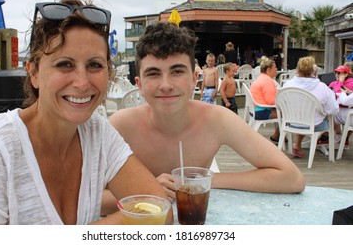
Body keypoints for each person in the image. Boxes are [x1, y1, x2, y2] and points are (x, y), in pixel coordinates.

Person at [0, 0, 171, 225]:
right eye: (65, 64)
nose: (82, 83)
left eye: (94, 65)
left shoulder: (97, 133)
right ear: (33, 73)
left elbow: (161, 209)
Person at [104, 22, 304, 211]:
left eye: (177, 71)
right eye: (154, 74)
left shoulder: (217, 119)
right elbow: (85, 197)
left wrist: (204, 180)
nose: (166, 85)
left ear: (193, 80)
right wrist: (146, 191)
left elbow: (292, 178)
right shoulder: (122, 126)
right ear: (139, 84)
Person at [283, 56, 339, 158]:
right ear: (313, 71)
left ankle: (299, 144)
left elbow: (281, 104)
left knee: (306, 115)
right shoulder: (322, 87)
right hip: (314, 124)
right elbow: (334, 109)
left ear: (297, 69)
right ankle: (322, 140)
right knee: (330, 119)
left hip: (291, 123)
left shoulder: (287, 85)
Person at [250, 56, 281, 143]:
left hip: (256, 109)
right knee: (285, 113)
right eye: (275, 67)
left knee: (279, 110)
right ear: (268, 70)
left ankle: (279, 136)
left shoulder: (261, 78)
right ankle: (278, 136)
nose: (276, 69)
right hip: (261, 112)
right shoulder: (267, 81)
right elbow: (271, 101)